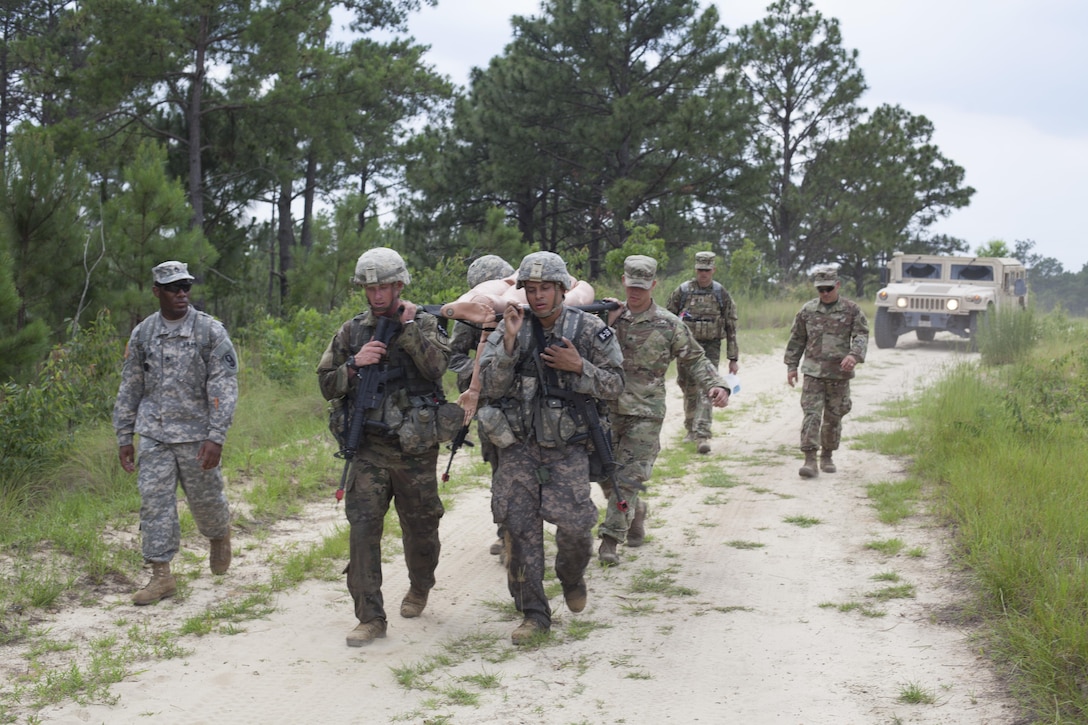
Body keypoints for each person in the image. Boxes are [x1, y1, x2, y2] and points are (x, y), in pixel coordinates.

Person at [475, 251, 624, 644]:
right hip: (518, 448)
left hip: (567, 448)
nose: (538, 296)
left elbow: (616, 386)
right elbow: (486, 387)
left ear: (561, 289)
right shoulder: (510, 325)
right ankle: (534, 614)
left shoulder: (590, 330)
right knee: (519, 532)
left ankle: (571, 577)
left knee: (576, 528)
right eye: (531, 289)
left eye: (546, 288)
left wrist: (579, 367)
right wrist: (507, 345)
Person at [316, 247, 456, 647]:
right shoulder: (351, 331)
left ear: (399, 286)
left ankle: (420, 585)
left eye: (384, 287)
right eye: (369, 288)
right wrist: (355, 365)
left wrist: (409, 330)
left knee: (422, 528)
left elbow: (437, 369)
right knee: (362, 530)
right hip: (369, 449)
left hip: (415, 450)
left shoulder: (426, 323)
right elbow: (326, 384)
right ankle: (370, 616)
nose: (377, 296)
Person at [113, 260, 239, 606]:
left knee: (206, 500)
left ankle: (218, 535)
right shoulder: (144, 334)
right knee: (155, 505)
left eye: (186, 286)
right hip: (154, 433)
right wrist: (125, 435)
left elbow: (224, 386)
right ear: (157, 292)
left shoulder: (208, 332)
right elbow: (131, 386)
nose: (181, 293)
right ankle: (161, 574)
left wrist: (216, 436)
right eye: (173, 288)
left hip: (198, 435)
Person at [597, 255, 731, 565]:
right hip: (605, 410)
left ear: (654, 285)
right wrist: (607, 320)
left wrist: (717, 385)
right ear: (623, 281)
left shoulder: (669, 324)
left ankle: (609, 540)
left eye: (642, 288)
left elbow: (696, 359)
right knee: (605, 474)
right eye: (631, 286)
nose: (635, 293)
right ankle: (635, 511)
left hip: (645, 412)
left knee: (628, 478)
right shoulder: (606, 317)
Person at [447, 255, 514, 558]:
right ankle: (508, 533)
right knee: (501, 469)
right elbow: (454, 356)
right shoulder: (470, 318)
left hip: (524, 404)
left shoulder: (522, 310)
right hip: (490, 408)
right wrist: (477, 372)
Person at [784, 266, 869, 478]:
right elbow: (797, 339)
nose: (824, 293)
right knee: (812, 415)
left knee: (833, 416)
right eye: (820, 289)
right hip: (813, 372)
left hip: (839, 374)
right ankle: (809, 460)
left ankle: (828, 454)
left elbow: (861, 335)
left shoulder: (851, 310)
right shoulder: (808, 310)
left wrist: (854, 355)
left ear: (837, 285)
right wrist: (791, 366)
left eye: (828, 288)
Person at [666, 251, 740, 454]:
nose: (703, 274)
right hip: (686, 347)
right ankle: (690, 428)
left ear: (713, 270)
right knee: (688, 387)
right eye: (700, 270)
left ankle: (702, 435)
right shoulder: (682, 291)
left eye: (707, 270)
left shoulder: (720, 293)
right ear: (695, 269)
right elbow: (668, 320)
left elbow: (731, 326)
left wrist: (733, 357)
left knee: (708, 388)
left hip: (711, 348)